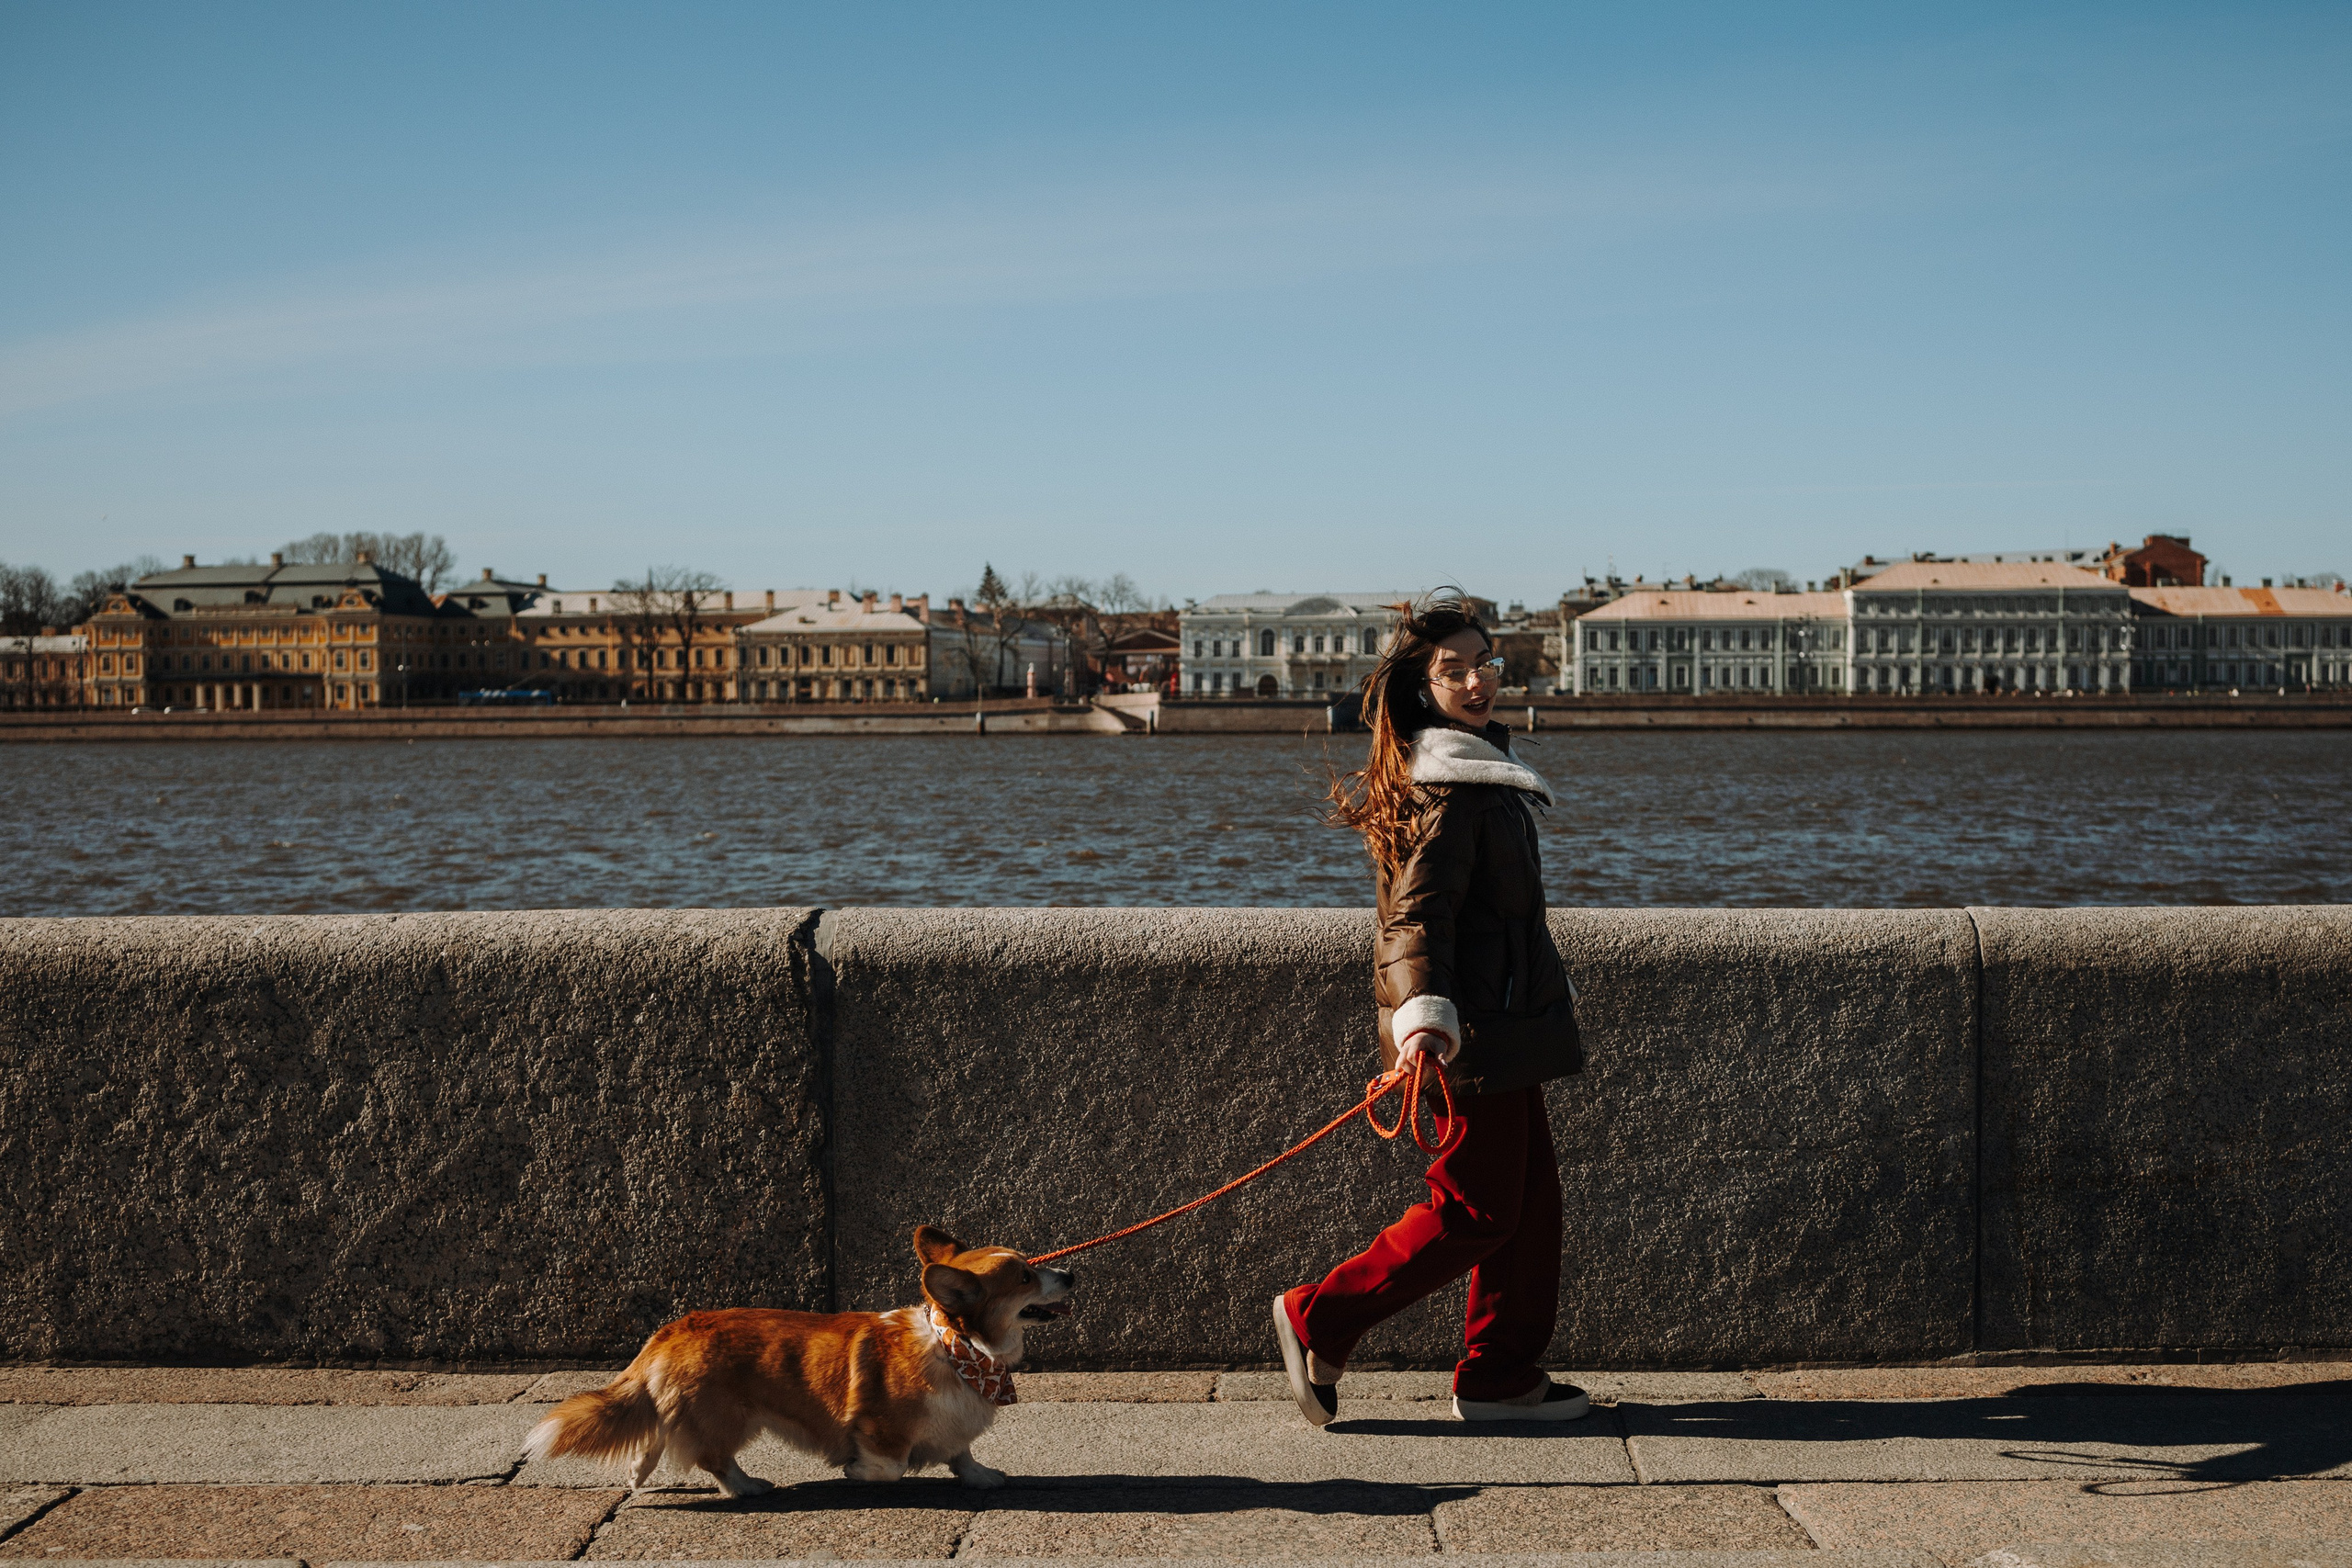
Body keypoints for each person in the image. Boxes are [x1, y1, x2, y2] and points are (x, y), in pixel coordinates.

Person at [1273, 592, 1586, 1427]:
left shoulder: (1476, 774)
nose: (1479, 681)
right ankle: (1320, 1314)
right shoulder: (1450, 787)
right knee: (1475, 1211)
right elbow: (1415, 918)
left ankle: (1498, 1374)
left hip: (1505, 1026)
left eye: (1486, 662)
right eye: (1456, 670)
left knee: (1530, 1211)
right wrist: (1423, 1020)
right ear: (1423, 687)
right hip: (1470, 1035)